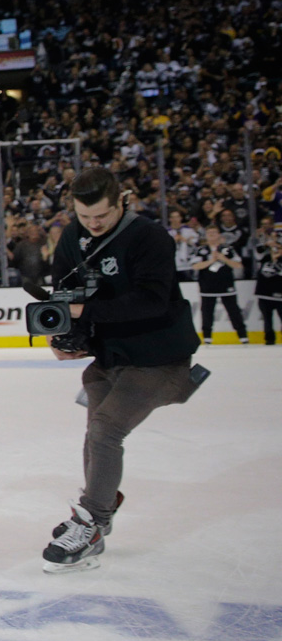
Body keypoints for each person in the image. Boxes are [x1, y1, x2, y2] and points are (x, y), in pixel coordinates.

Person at [43, 167, 202, 573]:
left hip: (159, 359)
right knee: (96, 432)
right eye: (85, 217)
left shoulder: (149, 237)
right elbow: (63, 296)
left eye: (102, 216)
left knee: (105, 429)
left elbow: (152, 301)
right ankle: (99, 509)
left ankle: (91, 523)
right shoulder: (71, 238)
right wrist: (65, 336)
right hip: (110, 358)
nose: (93, 224)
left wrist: (82, 311)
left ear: (121, 203)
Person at [192, 226, 248, 345]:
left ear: (219, 235)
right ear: (206, 235)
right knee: (207, 312)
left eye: (214, 232)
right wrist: (211, 261)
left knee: (233, 310)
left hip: (226, 284)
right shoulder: (201, 250)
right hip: (207, 285)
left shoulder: (228, 249)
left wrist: (224, 259)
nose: (212, 235)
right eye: (209, 232)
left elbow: (238, 265)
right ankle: (207, 337)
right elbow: (195, 266)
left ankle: (243, 336)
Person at [255, 230, 282, 345]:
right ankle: (269, 339)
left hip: (280, 294)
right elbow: (257, 252)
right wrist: (267, 245)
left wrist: (277, 259)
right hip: (264, 293)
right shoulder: (265, 257)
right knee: (267, 319)